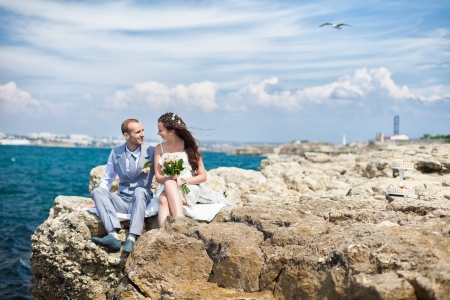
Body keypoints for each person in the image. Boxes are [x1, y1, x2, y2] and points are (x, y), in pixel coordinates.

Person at [154, 112, 231, 227]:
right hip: (168, 186)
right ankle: (168, 229)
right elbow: (159, 177)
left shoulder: (190, 147)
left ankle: (177, 224)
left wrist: (185, 180)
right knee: (165, 196)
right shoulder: (159, 148)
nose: (158, 133)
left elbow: (202, 176)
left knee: (166, 193)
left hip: (188, 186)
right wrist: (171, 178)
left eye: (160, 130)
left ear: (171, 131)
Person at [91, 119, 155, 252]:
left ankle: (132, 237)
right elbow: (107, 179)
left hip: (142, 197)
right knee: (97, 192)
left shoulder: (152, 151)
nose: (142, 134)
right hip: (122, 199)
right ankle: (113, 236)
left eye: (143, 130)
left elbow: (163, 174)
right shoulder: (116, 152)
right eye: (138, 132)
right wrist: (99, 201)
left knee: (139, 190)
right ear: (126, 135)